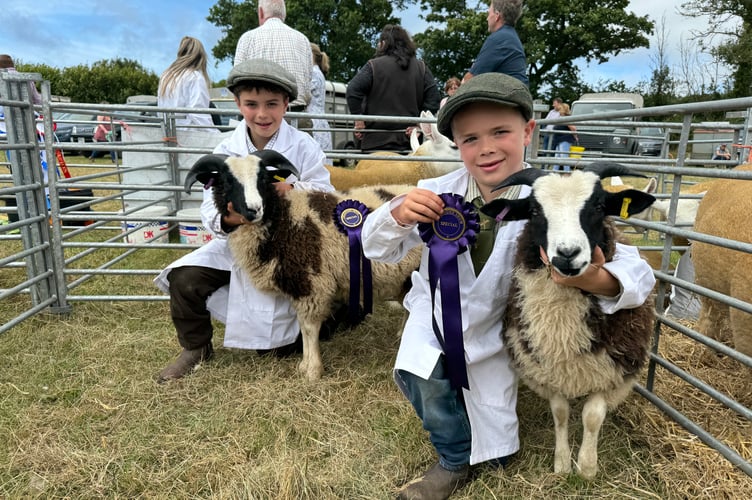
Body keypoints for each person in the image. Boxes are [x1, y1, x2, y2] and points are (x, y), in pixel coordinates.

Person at [360, 72, 655, 499]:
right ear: (457, 145)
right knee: (419, 374)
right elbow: (374, 247)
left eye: (501, 132)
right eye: (470, 139)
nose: (487, 149)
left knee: (497, 453)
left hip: (500, 331)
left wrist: (598, 279)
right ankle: (452, 460)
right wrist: (397, 214)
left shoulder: (557, 193)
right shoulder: (434, 192)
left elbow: (634, 269)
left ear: (528, 131)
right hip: (437, 316)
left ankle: (478, 437)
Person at [153, 59, 334, 382]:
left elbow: (326, 192)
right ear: (237, 103)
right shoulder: (226, 149)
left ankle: (300, 335)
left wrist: (291, 188)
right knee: (184, 279)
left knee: (280, 343)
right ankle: (195, 347)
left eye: (272, 104)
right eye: (251, 104)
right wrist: (227, 219)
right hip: (238, 242)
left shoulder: (304, 146)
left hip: (286, 249)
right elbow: (208, 206)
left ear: (286, 104)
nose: (262, 114)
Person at [346, 24, 441, 152]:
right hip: (409, 143)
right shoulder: (421, 68)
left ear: (383, 43)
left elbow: (353, 90)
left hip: (375, 144)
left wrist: (359, 120)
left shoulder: (373, 66)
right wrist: (419, 126)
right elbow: (434, 99)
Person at [234, 0, 313, 113]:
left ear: (261, 12)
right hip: (297, 115)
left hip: (259, 118)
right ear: (283, 15)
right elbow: (308, 83)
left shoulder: (247, 39)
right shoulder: (303, 40)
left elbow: (237, 84)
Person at [462, 0, 528, 86]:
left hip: (504, 96)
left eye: (488, 14)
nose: (487, 18)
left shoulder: (499, 38)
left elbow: (470, 80)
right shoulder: (511, 37)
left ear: (497, 16)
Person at [158, 36, 216, 131]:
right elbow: (198, 113)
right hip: (190, 137)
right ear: (200, 56)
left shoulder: (165, 77)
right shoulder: (195, 77)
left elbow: (160, 111)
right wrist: (216, 135)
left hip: (169, 134)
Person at [309, 43, 332, 153]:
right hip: (318, 119)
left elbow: (303, 92)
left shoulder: (313, 73)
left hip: (314, 121)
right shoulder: (318, 73)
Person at [551, 102, 578, 172]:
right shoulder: (562, 118)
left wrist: (575, 136)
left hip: (564, 139)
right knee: (558, 157)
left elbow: (573, 128)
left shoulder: (566, 118)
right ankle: (554, 172)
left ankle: (567, 172)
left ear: (563, 110)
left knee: (564, 157)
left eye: (560, 109)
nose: (559, 111)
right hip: (559, 140)